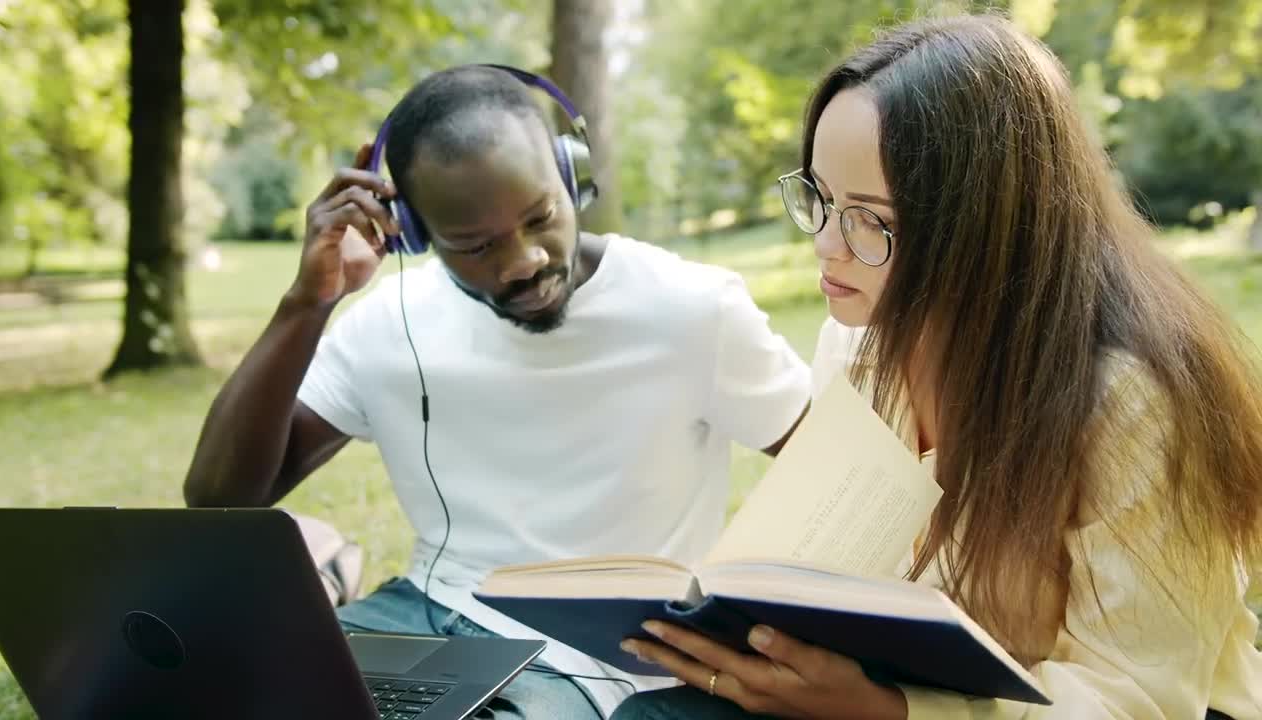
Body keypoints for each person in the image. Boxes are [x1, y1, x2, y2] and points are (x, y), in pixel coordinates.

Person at [611, 14, 1262, 720]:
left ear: (986, 225)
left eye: (870, 219)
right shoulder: (859, 349)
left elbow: (1139, 700)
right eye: (822, 200)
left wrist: (887, 710)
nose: (827, 245)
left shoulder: (1134, 400)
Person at [182, 65, 812, 719]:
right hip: (427, 613)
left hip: (600, 656)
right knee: (206, 686)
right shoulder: (385, 322)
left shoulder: (693, 310)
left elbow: (837, 476)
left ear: (573, 175)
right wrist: (307, 304)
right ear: (412, 230)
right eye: (473, 244)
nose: (522, 260)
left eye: (541, 217)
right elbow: (221, 495)